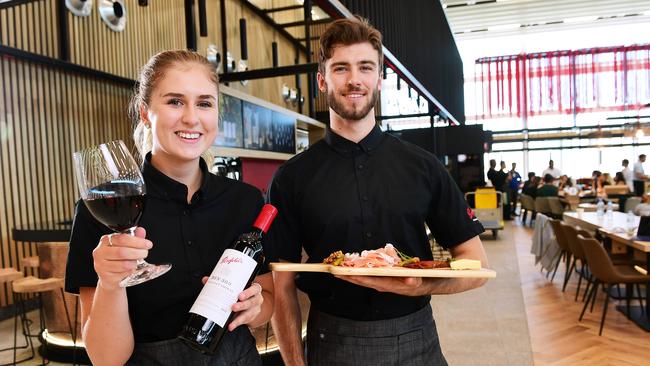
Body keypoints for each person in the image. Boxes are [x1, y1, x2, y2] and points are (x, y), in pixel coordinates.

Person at [267, 17, 488, 366]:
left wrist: (422, 285)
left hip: (418, 337)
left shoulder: (424, 166)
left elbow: (475, 263)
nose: (354, 79)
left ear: (379, 79)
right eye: (341, 68)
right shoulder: (291, 177)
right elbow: (281, 284)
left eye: (365, 67)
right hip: (331, 340)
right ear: (322, 80)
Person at [65, 50, 274, 365]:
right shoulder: (100, 209)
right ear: (145, 112)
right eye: (175, 101)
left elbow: (267, 303)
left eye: (204, 103)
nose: (191, 117)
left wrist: (256, 306)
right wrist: (110, 284)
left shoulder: (245, 201)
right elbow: (106, 359)